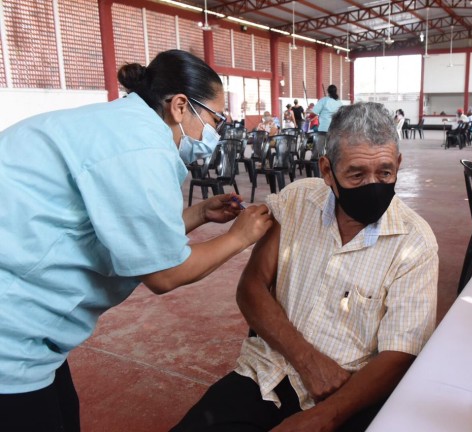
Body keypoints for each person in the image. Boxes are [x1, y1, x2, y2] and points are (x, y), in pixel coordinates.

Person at [0, 50, 273, 431]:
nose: (215, 130)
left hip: (27, 322)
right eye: (215, 118)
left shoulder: (120, 125)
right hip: (12, 324)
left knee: (61, 409)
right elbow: (164, 273)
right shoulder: (140, 148)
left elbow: (128, 230)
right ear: (180, 106)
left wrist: (198, 214)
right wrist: (239, 237)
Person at [172, 102, 438, 432]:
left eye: (385, 172)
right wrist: (307, 360)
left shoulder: (415, 242)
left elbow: (401, 352)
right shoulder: (298, 201)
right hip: (266, 373)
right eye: (356, 174)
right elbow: (251, 287)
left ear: (398, 164)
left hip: (349, 394)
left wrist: (326, 415)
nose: (374, 185)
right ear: (327, 171)